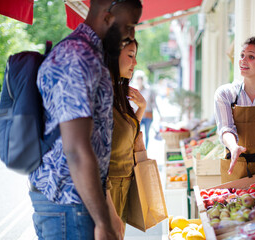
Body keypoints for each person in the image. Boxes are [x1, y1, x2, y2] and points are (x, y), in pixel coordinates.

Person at [29, 1, 142, 240]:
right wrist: (103, 220)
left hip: (75, 202)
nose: (130, 35)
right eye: (129, 26)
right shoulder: (78, 57)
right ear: (108, 17)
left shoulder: (89, 55)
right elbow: (77, 149)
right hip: (70, 204)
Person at [214, 36, 255, 183]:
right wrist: (233, 147)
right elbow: (226, 128)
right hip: (236, 166)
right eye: (242, 55)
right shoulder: (225, 93)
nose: (243, 60)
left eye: (251, 57)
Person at [106, 39, 146, 234]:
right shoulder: (101, 95)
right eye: (130, 55)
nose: (135, 63)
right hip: (107, 189)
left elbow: (129, 136)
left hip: (124, 184)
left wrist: (142, 109)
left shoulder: (118, 93)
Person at [131, 70, 160, 148]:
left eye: (141, 78)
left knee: (147, 134)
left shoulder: (149, 90)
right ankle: (137, 150)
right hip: (138, 115)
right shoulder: (134, 90)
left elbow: (154, 103)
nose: (139, 80)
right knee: (136, 133)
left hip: (148, 115)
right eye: (138, 78)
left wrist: (159, 114)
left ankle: (145, 150)